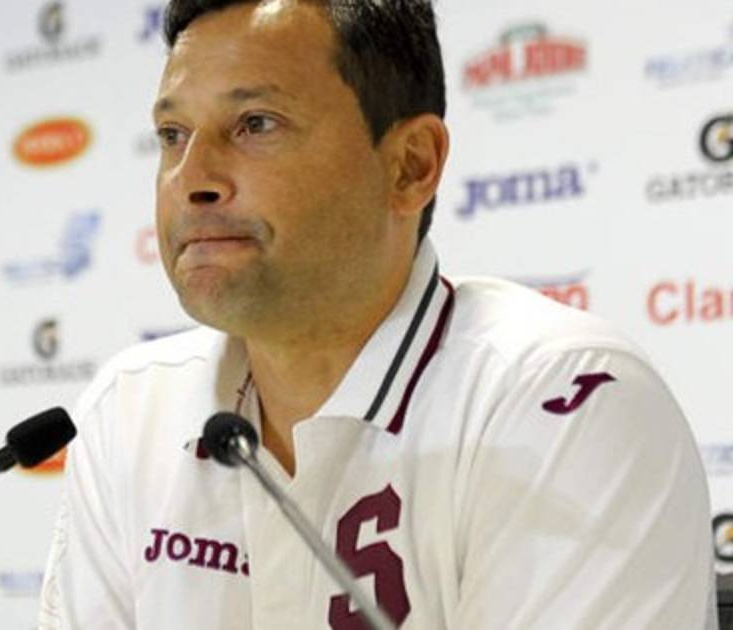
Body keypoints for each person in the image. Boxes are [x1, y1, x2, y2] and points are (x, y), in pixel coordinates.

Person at [38, 0, 715, 627]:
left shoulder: (563, 404)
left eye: (256, 124)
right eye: (172, 134)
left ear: (410, 166)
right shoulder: (132, 409)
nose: (192, 179)